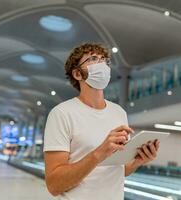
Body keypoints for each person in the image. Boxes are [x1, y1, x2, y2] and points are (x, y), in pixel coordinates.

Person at [44, 43, 160, 200]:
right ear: (77, 74)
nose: (102, 64)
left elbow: (115, 171)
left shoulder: (119, 113)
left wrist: (137, 161)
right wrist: (99, 153)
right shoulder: (62, 113)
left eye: (104, 60)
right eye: (93, 59)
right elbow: (54, 185)